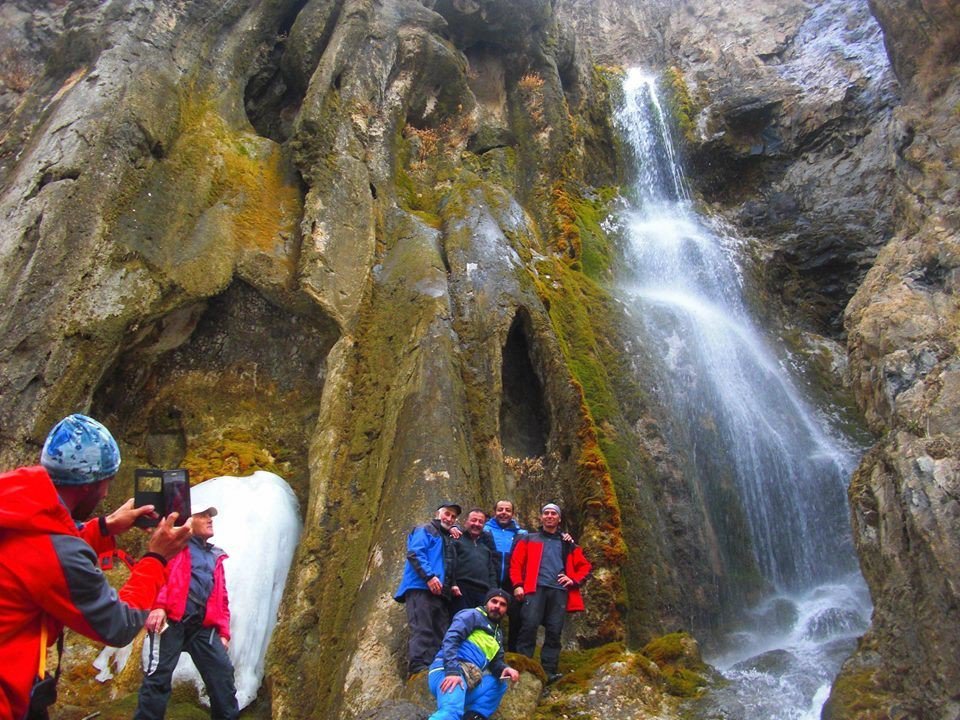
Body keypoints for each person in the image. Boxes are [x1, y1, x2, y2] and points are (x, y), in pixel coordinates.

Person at [0, 413, 191, 720]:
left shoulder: (13, 506)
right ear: (91, 486)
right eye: (107, 483)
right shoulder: (55, 552)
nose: (106, 493)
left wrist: (104, 527)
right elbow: (119, 624)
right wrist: (156, 559)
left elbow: (42, 549)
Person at [134, 506, 238, 720]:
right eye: (203, 515)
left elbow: (221, 596)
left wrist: (224, 632)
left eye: (211, 516)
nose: (210, 519)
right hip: (171, 620)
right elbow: (158, 571)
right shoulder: (174, 545)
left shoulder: (214, 556)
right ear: (189, 520)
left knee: (222, 676)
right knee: (158, 680)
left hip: (202, 627)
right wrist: (158, 606)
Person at [509, 503, 591, 683]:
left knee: (554, 631)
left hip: (559, 591)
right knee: (529, 626)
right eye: (546, 513)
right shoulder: (529, 538)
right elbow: (516, 564)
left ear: (559, 518)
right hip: (534, 588)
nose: (549, 516)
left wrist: (573, 580)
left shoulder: (567, 543)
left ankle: (549, 671)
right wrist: (517, 585)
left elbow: (585, 566)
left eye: (553, 513)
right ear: (541, 517)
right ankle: (524, 666)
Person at [426, 588, 520, 720]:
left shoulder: (497, 634)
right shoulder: (472, 615)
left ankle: (473, 717)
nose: (497, 606)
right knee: (451, 712)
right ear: (487, 602)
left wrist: (506, 669)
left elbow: (496, 663)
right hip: (446, 671)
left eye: (502, 604)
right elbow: (451, 640)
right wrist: (452, 672)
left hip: (469, 679)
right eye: (494, 601)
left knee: (498, 683)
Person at [394, 502, 461, 674]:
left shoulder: (448, 538)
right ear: (437, 514)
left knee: (440, 631)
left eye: (453, 516)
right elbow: (415, 553)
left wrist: (452, 584)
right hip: (420, 587)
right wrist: (429, 577)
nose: (449, 518)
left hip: (440, 593)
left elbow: (450, 564)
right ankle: (417, 667)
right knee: (422, 627)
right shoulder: (425, 529)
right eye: (447, 514)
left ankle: (434, 667)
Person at [483, 500, 526, 651]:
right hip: (490, 579)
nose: (504, 513)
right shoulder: (485, 530)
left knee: (516, 617)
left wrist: (564, 536)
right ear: (495, 511)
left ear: (513, 514)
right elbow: (467, 533)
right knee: (488, 615)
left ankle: (513, 652)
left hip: (512, 582)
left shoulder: (521, 534)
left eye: (508, 510)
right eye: (500, 509)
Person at [450, 508, 498, 614]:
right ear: (465, 522)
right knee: (461, 624)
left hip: (483, 593)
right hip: (461, 590)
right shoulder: (456, 541)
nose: (476, 524)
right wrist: (453, 583)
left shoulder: (485, 548)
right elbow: (450, 563)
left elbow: (492, 573)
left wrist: (493, 593)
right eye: (473, 520)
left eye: (480, 522)